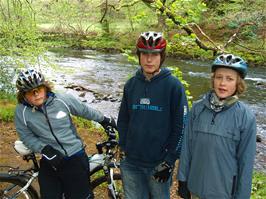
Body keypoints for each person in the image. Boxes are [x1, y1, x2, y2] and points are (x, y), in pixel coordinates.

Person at [14, 68, 117, 199]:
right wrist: (45, 149)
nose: (36, 94)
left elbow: (85, 110)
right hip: (50, 160)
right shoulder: (21, 112)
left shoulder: (62, 99)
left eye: (38, 89)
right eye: (30, 92)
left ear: (45, 87)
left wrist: (104, 120)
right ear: (23, 95)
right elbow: (26, 136)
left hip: (75, 156)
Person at [117, 31, 188, 199]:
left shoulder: (174, 86)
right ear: (139, 56)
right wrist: (124, 146)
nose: (149, 59)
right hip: (131, 163)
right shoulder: (131, 85)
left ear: (161, 57)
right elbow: (123, 120)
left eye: (154, 55)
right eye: (145, 54)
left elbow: (182, 126)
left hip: (159, 164)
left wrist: (169, 162)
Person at [177, 54, 257, 199]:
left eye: (229, 79)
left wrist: (242, 196)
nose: (222, 83)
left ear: (238, 83)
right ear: (213, 79)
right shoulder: (197, 109)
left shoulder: (246, 117)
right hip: (195, 187)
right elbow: (187, 147)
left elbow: (246, 163)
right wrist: (182, 179)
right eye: (219, 77)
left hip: (224, 193)